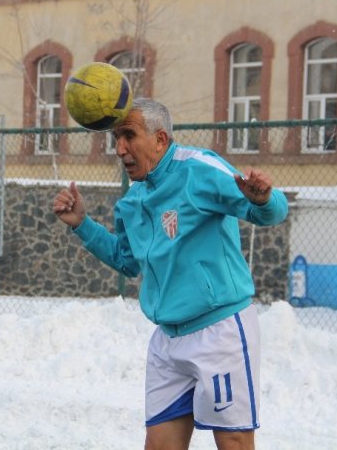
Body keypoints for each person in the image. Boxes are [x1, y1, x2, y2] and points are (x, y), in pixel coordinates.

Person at [52, 98, 288, 450]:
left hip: (219, 332)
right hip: (167, 340)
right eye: (116, 138)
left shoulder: (200, 169)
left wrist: (264, 200)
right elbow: (127, 261)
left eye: (128, 135)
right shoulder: (132, 201)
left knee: (234, 442)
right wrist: (82, 225)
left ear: (160, 139)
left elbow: (269, 213)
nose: (120, 149)